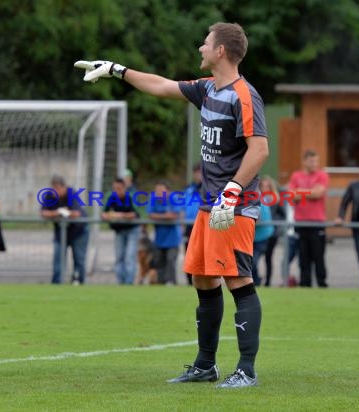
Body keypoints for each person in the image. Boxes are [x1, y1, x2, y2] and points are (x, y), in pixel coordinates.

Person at [75, 22, 268, 387]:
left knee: (238, 280)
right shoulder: (209, 88)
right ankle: (205, 366)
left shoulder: (244, 95)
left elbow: (260, 150)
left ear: (221, 51)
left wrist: (231, 191)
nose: (200, 48)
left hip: (234, 206)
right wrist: (118, 70)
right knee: (202, 277)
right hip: (208, 206)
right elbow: (162, 85)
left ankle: (246, 370)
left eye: (206, 43)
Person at [288, 150, 329, 288]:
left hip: (317, 222)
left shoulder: (322, 175)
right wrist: (310, 191)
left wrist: (300, 192)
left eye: (316, 161)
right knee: (303, 257)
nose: (314, 164)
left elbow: (318, 194)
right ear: (304, 161)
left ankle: (322, 283)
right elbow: (291, 195)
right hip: (300, 221)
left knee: (318, 256)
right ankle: (305, 284)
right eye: (312, 161)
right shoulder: (296, 176)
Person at [40, 175, 89, 285]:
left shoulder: (71, 193)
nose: (55, 192)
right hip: (61, 232)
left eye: (57, 189)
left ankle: (79, 282)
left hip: (79, 232)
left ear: (64, 187)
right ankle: (57, 283)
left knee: (79, 259)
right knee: (58, 259)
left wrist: (66, 213)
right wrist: (59, 212)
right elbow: (44, 213)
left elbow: (77, 213)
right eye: (53, 189)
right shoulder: (49, 196)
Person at [102, 177, 140, 285]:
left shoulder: (130, 197)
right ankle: (121, 283)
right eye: (114, 188)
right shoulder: (112, 197)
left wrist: (120, 215)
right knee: (119, 257)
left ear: (124, 188)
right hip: (119, 231)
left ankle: (129, 283)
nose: (116, 191)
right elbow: (104, 213)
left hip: (132, 230)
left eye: (118, 188)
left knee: (129, 256)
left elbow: (135, 214)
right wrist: (109, 216)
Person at [147, 180, 182, 285]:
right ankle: (160, 283)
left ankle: (172, 282)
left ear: (168, 191)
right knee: (159, 262)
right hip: (159, 239)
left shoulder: (174, 199)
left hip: (173, 239)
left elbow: (174, 215)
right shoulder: (153, 199)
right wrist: (165, 216)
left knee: (171, 260)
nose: (158, 193)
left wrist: (159, 216)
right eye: (157, 190)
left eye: (161, 190)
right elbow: (150, 215)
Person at [262, 178, 285, 287]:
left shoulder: (275, 200)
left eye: (267, 186)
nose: (264, 189)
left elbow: (283, 215)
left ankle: (268, 282)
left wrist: (276, 227)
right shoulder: (257, 199)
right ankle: (255, 278)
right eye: (263, 186)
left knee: (268, 257)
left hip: (272, 233)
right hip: (259, 232)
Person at [252, 177, 274, 286]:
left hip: (264, 236)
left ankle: (259, 281)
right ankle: (256, 281)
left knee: (255, 261)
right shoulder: (258, 198)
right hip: (254, 237)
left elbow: (259, 219)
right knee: (251, 262)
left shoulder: (263, 200)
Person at [183, 163, 202, 285]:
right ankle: (190, 282)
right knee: (189, 255)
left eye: (200, 172)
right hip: (189, 226)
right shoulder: (189, 189)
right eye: (196, 173)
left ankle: (203, 281)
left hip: (203, 225)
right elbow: (183, 207)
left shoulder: (210, 188)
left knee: (202, 255)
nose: (198, 175)